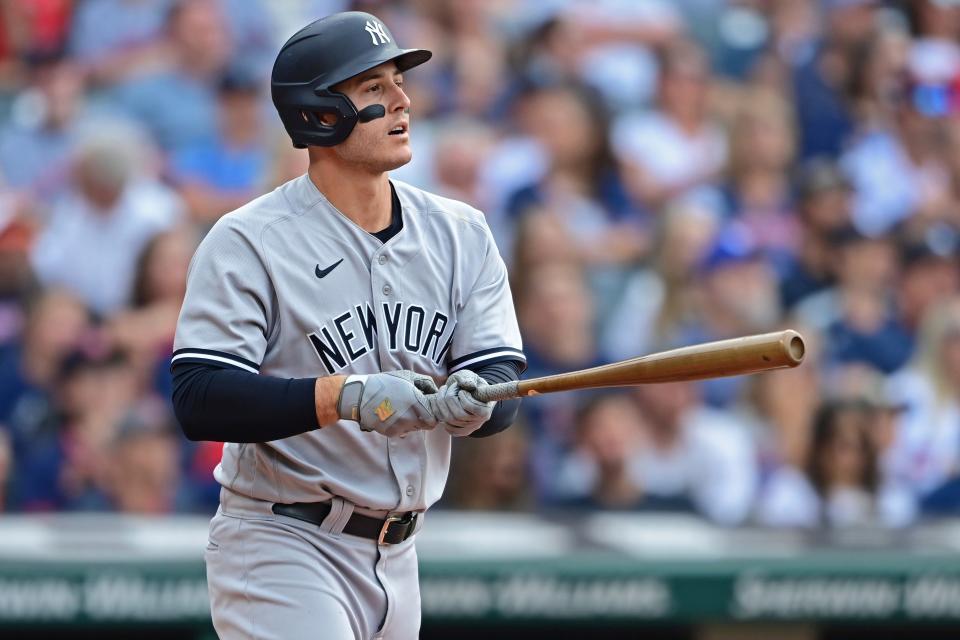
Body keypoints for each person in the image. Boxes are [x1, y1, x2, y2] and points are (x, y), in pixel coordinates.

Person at [170, 11, 525, 640]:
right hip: (283, 541)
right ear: (319, 114)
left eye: (397, 82)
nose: (402, 100)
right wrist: (346, 397)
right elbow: (202, 398)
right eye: (374, 89)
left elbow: (498, 374)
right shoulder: (249, 240)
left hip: (401, 553)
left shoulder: (462, 232)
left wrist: (479, 402)